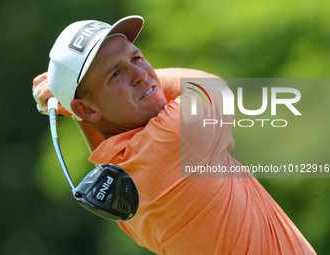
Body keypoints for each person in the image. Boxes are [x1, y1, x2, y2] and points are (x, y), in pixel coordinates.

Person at [32, 15, 316, 255]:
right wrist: (73, 104)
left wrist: (75, 106)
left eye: (137, 57)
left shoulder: (118, 191)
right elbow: (212, 87)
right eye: (115, 74)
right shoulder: (175, 137)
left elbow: (106, 146)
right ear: (89, 108)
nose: (141, 74)